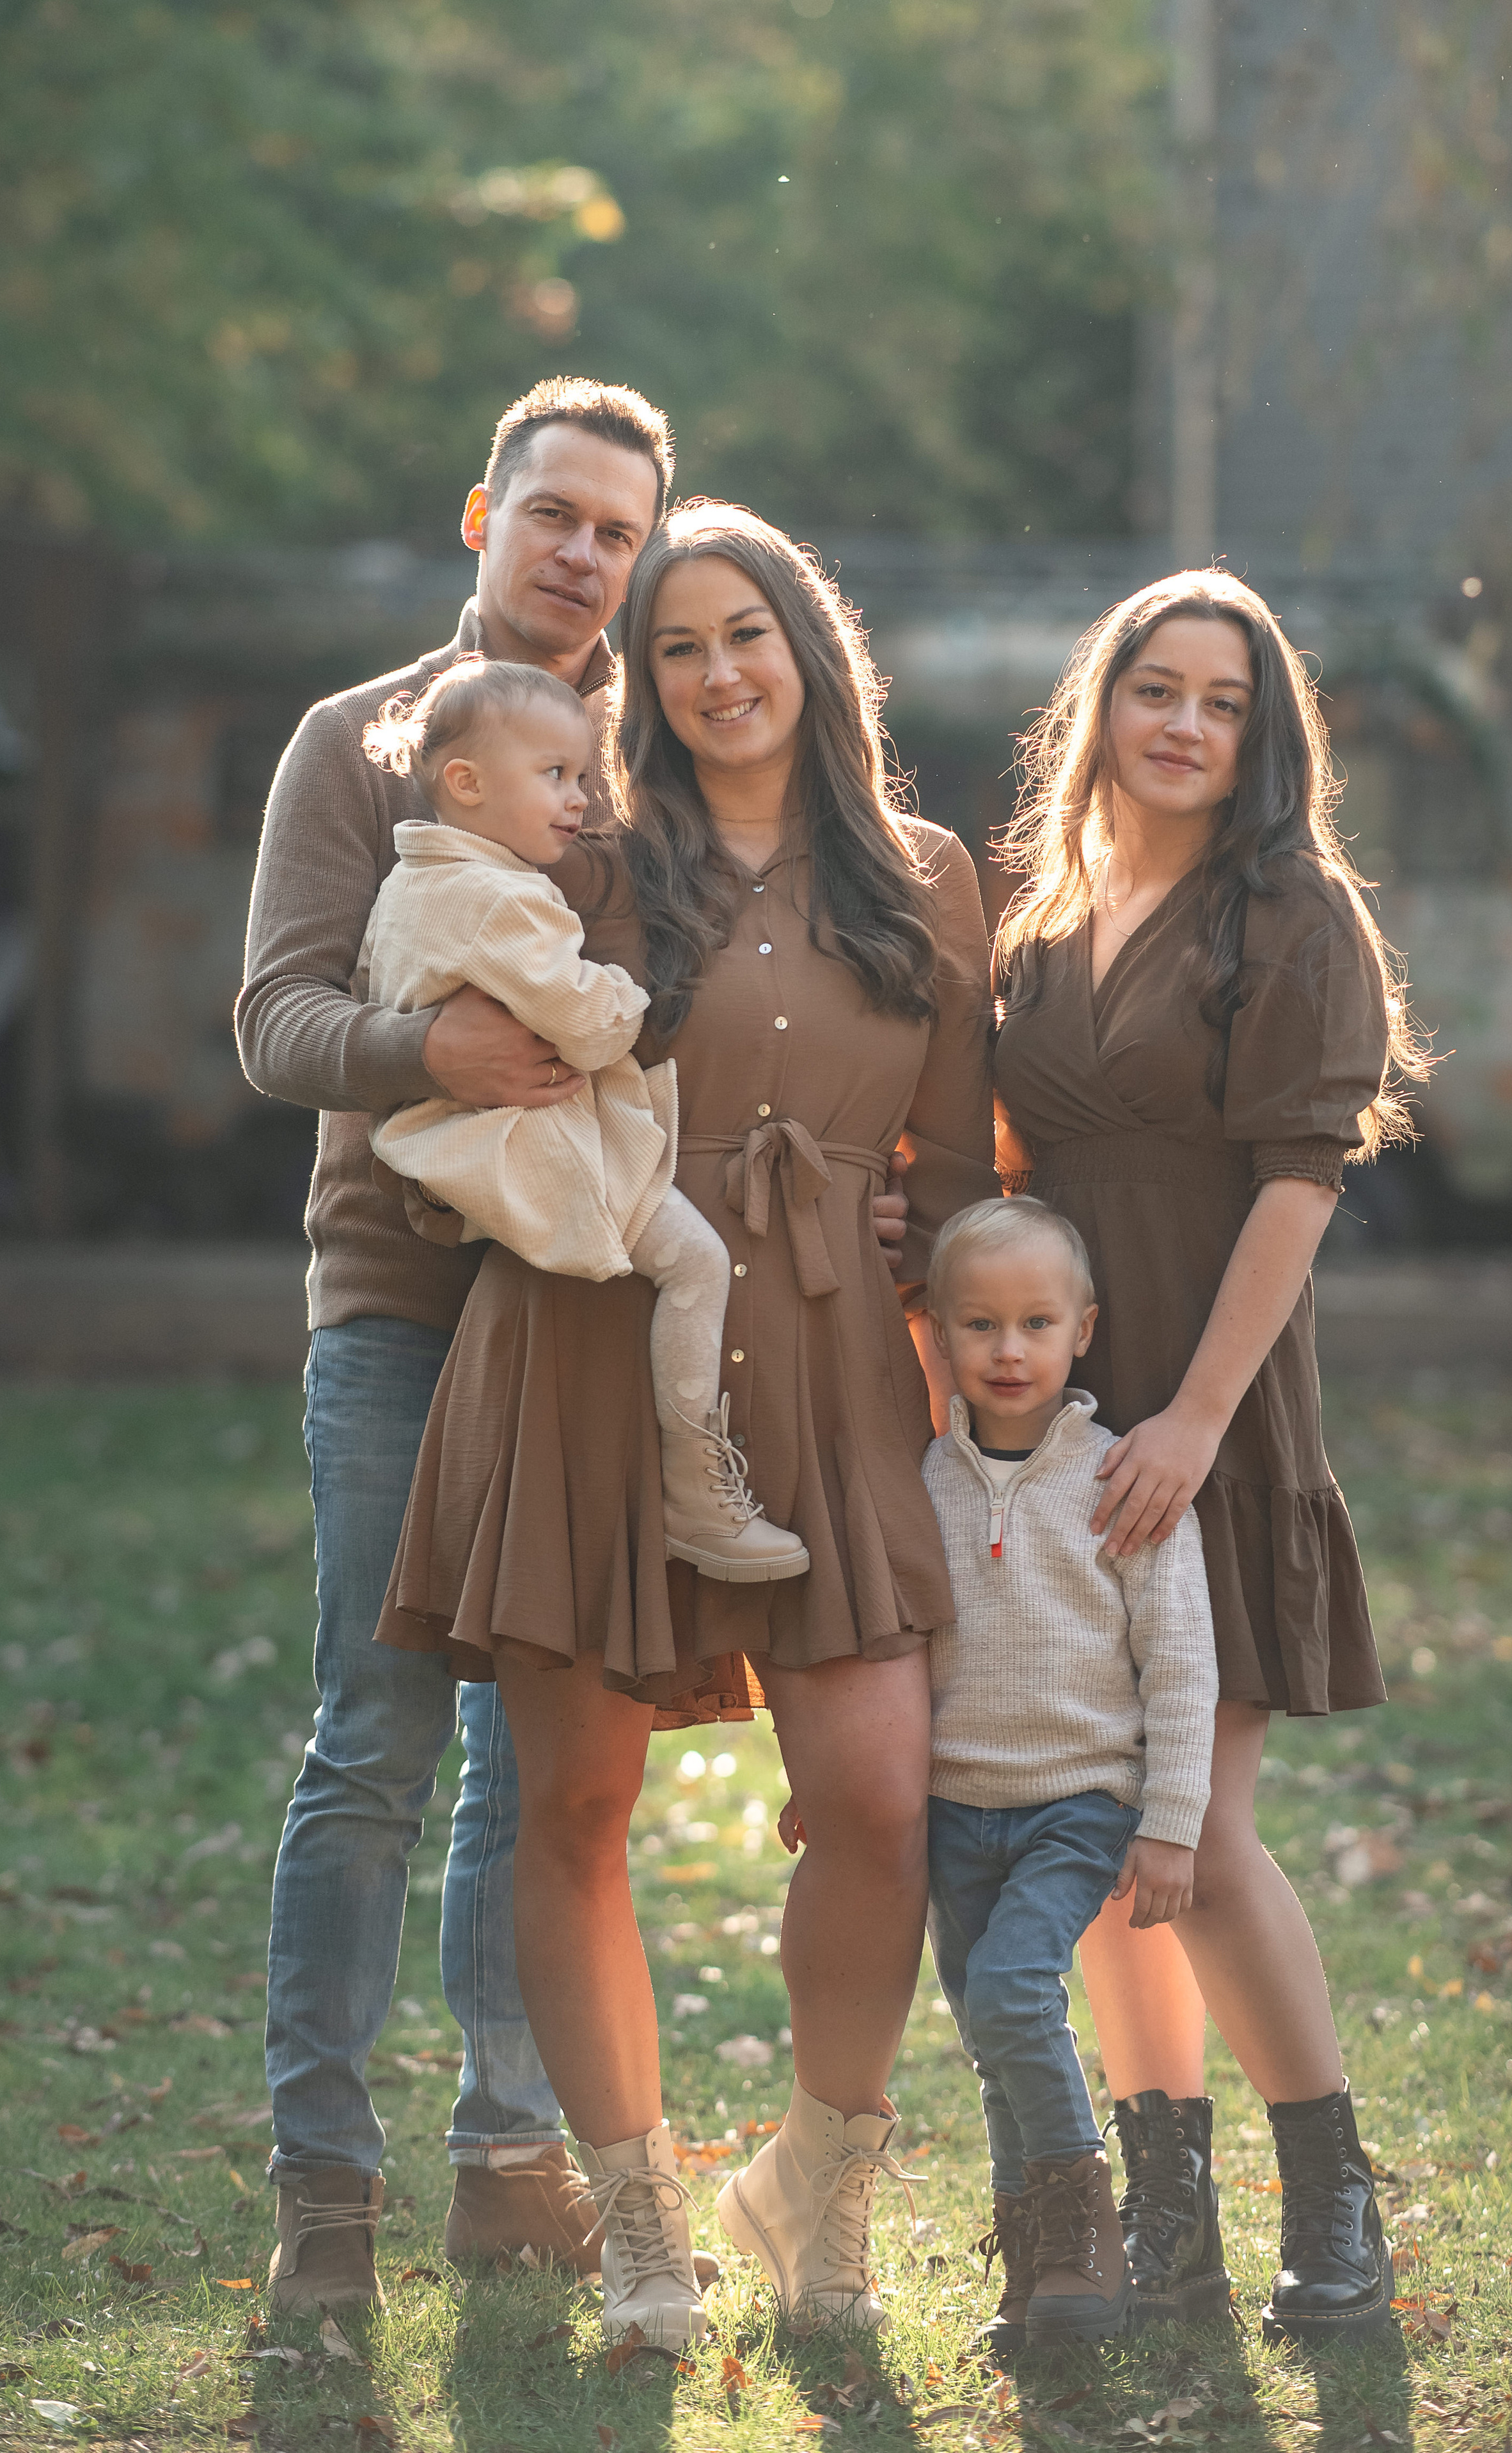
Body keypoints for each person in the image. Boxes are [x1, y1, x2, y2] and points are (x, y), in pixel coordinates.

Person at [374, 502, 997, 2347]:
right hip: (586, 1330)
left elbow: (957, 1172)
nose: (718, 675)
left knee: (880, 1799)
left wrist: (935, 1248)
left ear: (813, 648)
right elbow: (422, 1010)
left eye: (748, 634)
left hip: (824, 1357)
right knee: (573, 1798)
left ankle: (816, 2179)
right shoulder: (586, 855)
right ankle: (639, 2210)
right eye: (675, 649)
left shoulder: (926, 872)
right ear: (636, 686)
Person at [235, 377, 678, 2314]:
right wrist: (436, 1053)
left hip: (578, 1316)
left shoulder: (641, 764)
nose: (585, 553)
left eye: (620, 530)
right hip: (404, 1313)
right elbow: (274, 1022)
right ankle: (324, 2185)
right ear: (482, 517)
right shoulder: (361, 745)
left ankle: (510, 2158)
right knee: (377, 1740)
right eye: (557, 514)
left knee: (537, 1758)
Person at [988, 567, 1426, 2345]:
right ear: (1102, 704)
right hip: (1059, 1433)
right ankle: (1167, 2212)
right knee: (1097, 1831)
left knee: (1204, 1828)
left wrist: (1192, 1418)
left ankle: (1334, 2199)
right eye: (1154, 688)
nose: (1181, 722)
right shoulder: (1043, 910)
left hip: (1208, 1419)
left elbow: (1301, 1184)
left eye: (1220, 701)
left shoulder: (1290, 910)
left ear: (1260, 736)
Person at [359, 656, 807, 1580]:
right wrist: (630, 996)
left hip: (465, 1148)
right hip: (530, 1146)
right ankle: (697, 1488)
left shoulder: (417, 883)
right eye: (555, 776)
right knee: (693, 1263)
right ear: (467, 783)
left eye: (584, 775)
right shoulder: (499, 899)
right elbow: (589, 1025)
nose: (580, 799)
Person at [918, 1195, 1217, 2350]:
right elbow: (895, 1657)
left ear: (1081, 1329)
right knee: (994, 2045)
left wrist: (1173, 1821)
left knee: (1007, 1996)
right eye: (982, 1324)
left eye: (1036, 1322)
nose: (1009, 1349)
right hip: (951, 1810)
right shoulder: (926, 1479)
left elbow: (1180, 1660)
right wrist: (852, 1784)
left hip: (1078, 1801)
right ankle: (1042, 2278)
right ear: (939, 1332)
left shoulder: (1119, 1478)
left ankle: (1088, 2224)